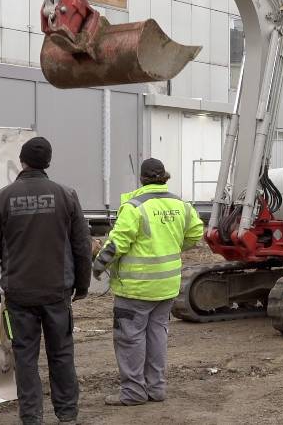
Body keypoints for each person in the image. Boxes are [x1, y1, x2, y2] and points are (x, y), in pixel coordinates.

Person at [0, 136, 91, 425]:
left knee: (25, 357)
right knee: (62, 353)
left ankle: (31, 417)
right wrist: (82, 284)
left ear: (22, 161)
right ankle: (67, 414)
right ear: (48, 162)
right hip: (57, 292)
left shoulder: (1, 198)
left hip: (19, 294)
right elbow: (81, 244)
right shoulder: (66, 195)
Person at [92, 158, 204, 406]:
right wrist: (173, 246)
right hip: (167, 286)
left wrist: (99, 265)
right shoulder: (181, 204)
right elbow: (196, 233)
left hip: (136, 288)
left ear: (141, 179)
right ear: (164, 177)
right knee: (157, 335)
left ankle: (133, 392)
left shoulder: (134, 207)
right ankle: (155, 388)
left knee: (130, 338)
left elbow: (117, 243)